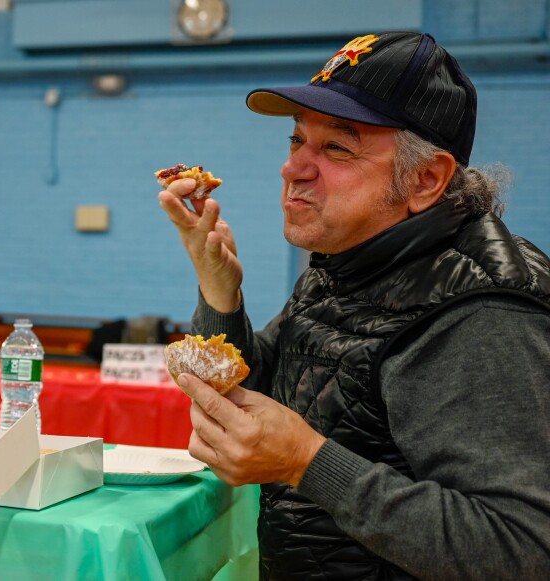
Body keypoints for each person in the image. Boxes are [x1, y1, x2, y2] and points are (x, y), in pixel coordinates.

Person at [159, 31, 550, 580]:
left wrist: (308, 463)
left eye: (337, 148)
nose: (293, 168)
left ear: (425, 179)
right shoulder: (348, 265)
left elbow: (523, 549)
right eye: (297, 141)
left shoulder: (482, 313)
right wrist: (219, 289)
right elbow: (255, 404)